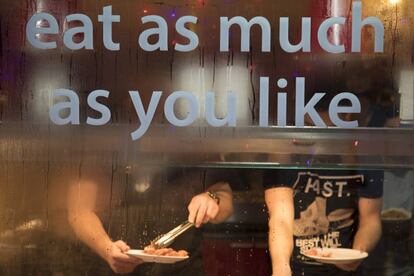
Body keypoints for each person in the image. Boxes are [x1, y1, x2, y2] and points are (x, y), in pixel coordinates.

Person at [263, 101, 384, 276]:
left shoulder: (365, 156)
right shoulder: (285, 154)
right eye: (309, 126)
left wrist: (357, 252)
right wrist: (281, 267)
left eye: (328, 127)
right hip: (295, 266)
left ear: (346, 119)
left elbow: (371, 219)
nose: (318, 138)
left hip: (345, 270)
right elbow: (280, 219)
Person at [67, 166, 234, 275]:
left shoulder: (191, 133)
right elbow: (79, 210)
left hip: (182, 269)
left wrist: (212, 198)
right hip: (109, 264)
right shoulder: (107, 133)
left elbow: (224, 198)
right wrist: (107, 249)